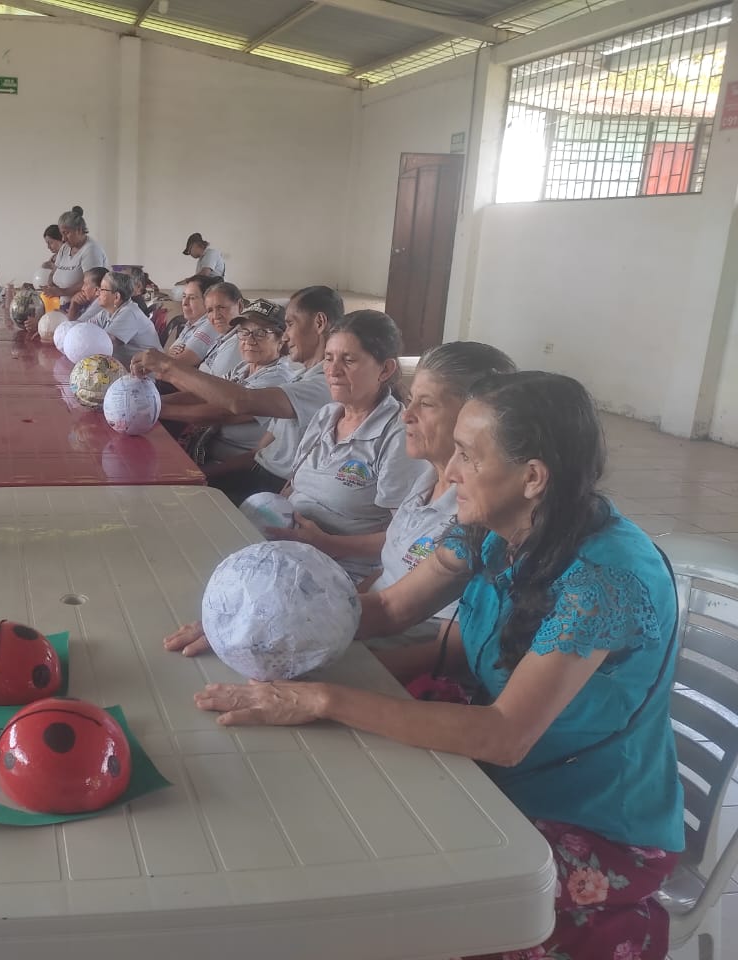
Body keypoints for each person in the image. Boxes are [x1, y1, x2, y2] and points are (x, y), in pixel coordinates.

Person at [175, 372, 684, 960]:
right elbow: (392, 607)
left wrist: (322, 699)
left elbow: (504, 736)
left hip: (589, 815)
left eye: (468, 455)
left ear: (532, 477)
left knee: (392, 897)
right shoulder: (496, 528)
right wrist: (259, 624)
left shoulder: (604, 579)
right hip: (495, 776)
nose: (451, 470)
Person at [132, 286, 341, 504]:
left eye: (289, 324)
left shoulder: (317, 383)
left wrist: (167, 370)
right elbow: (257, 454)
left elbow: (236, 404)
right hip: (245, 469)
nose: (287, 336)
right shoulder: (297, 377)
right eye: (244, 332)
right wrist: (201, 474)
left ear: (319, 323)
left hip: (269, 485)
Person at [365, 342, 517, 639]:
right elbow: (386, 580)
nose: (406, 415)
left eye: (427, 404)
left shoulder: (481, 513)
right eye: (410, 400)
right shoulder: (425, 478)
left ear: (473, 416)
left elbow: (450, 651)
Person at [267, 310, 427, 584]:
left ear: (385, 370)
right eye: (329, 358)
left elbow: (405, 537)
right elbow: (293, 485)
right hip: (291, 554)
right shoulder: (327, 415)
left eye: (348, 360)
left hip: (343, 573)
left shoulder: (397, 434)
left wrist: (329, 544)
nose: (332, 370)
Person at [166, 300, 293, 475]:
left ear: (281, 340)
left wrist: (159, 410)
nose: (249, 340)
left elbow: (220, 413)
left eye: (260, 333)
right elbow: (205, 394)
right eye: (244, 332)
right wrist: (157, 402)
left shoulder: (278, 377)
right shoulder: (244, 367)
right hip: (203, 452)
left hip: (234, 469)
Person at [92, 271, 160, 366]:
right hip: (124, 369)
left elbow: (106, 345)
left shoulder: (130, 313)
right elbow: (87, 328)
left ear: (116, 297)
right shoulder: (107, 312)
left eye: (102, 289)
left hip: (145, 372)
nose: (97, 293)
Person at [43, 206, 108, 304]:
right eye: (62, 234)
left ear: (79, 230)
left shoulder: (91, 250)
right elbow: (53, 272)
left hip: (84, 306)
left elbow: (91, 283)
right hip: (63, 303)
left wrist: (61, 292)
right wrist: (49, 287)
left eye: (66, 233)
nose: (63, 239)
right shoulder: (65, 248)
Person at [165, 275, 222, 365]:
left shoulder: (210, 325)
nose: (185, 303)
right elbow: (171, 352)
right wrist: (169, 354)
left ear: (208, 302)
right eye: (184, 296)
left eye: (192, 298)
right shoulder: (192, 322)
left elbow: (180, 362)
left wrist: (169, 355)